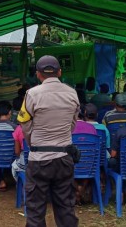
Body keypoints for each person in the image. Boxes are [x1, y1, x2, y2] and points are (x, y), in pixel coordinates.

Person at [17, 55, 79, 227]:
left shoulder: (31, 94)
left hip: (39, 160)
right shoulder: (72, 93)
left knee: (35, 210)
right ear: (59, 72)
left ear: (38, 74)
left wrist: (34, 145)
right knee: (66, 207)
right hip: (65, 158)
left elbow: (25, 125)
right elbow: (72, 124)